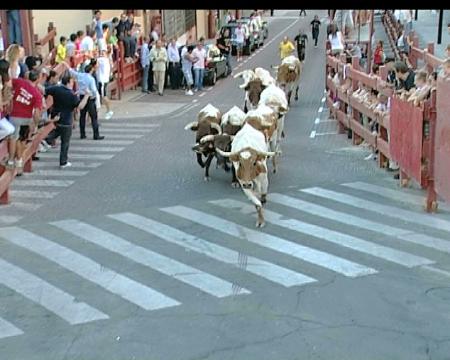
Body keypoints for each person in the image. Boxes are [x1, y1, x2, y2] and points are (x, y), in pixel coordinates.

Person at [45, 71, 90, 168]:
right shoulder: (71, 95)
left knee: (57, 131)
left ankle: (46, 140)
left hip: (56, 117)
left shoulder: (56, 89)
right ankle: (63, 162)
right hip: (67, 120)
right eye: (72, 82)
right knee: (65, 142)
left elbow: (44, 90)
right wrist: (86, 96)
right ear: (69, 82)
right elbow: (80, 106)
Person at [5, 70, 42, 172]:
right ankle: (19, 160)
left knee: (13, 138)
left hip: (14, 116)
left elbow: (8, 83)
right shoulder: (37, 94)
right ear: (38, 79)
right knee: (21, 140)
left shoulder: (19, 82)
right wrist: (36, 124)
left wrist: (8, 95)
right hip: (27, 119)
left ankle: (11, 160)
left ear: (28, 77)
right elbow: (37, 112)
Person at [65, 63, 104, 140]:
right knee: (93, 117)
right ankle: (96, 134)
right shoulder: (91, 79)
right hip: (89, 97)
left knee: (82, 116)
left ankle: (82, 134)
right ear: (91, 70)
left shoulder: (80, 75)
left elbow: (72, 72)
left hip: (81, 96)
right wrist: (95, 97)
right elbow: (93, 90)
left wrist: (66, 65)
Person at [96, 50, 114, 120]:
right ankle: (108, 110)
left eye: (102, 53)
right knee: (102, 95)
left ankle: (109, 110)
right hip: (105, 79)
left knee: (104, 96)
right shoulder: (108, 60)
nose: (101, 54)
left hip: (102, 80)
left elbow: (96, 64)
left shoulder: (101, 60)